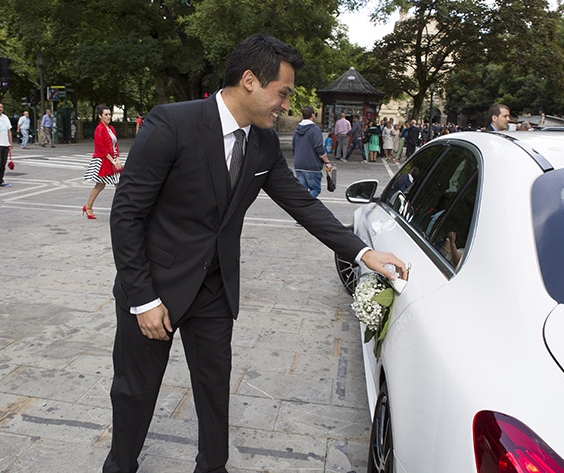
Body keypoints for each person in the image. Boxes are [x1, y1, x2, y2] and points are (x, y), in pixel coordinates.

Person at [103, 34, 407, 473]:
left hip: (214, 289)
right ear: (250, 80)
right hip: (156, 286)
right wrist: (143, 298)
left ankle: (213, 467)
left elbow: (302, 204)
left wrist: (362, 253)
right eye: (282, 93)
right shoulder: (172, 123)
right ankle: (120, 465)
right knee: (135, 389)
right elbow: (126, 214)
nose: (286, 104)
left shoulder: (262, 143)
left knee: (214, 389)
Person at [82, 106, 122, 219]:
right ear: (100, 116)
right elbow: (101, 148)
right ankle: (88, 207)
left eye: (109, 114)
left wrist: (117, 159)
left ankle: (88, 207)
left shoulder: (111, 128)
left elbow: (115, 145)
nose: (109, 117)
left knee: (118, 184)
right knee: (101, 185)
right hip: (103, 161)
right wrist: (113, 161)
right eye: (106, 114)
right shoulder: (99, 129)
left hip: (112, 160)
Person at [292, 105, 332, 198]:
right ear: (313, 115)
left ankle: (302, 204)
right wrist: (327, 162)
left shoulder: (297, 129)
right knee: (315, 189)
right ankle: (304, 204)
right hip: (312, 165)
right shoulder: (315, 129)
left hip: (299, 164)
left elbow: (293, 147)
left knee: (303, 191)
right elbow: (319, 147)